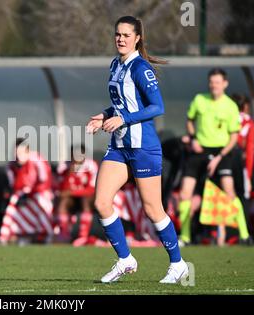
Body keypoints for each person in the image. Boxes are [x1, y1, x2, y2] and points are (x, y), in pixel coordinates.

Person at [86, 16, 188, 284]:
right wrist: (104, 115)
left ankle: (178, 264)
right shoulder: (114, 65)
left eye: (126, 35)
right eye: (117, 34)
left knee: (153, 209)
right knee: (101, 202)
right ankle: (125, 259)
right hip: (119, 146)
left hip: (144, 147)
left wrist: (124, 119)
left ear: (137, 38)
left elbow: (157, 107)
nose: (120, 39)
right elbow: (122, 105)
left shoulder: (141, 68)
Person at [179, 69, 251, 246]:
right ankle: (185, 237)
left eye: (217, 82)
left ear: (225, 84)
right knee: (184, 193)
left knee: (229, 190)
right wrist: (193, 138)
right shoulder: (199, 99)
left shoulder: (230, 106)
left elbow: (234, 137)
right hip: (199, 150)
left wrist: (218, 157)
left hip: (221, 152)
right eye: (211, 82)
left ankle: (244, 235)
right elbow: (189, 120)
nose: (214, 85)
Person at [0, 138, 54, 245]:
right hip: (23, 195)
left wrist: (29, 194)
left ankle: (46, 235)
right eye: (16, 152)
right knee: (13, 203)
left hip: (40, 193)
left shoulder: (37, 160)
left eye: (21, 152)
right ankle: (16, 235)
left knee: (42, 202)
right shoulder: (12, 165)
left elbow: (44, 180)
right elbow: (13, 185)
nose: (18, 155)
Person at [56, 144, 98, 243]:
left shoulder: (91, 165)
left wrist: (71, 192)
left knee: (86, 200)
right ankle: (64, 235)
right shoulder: (64, 166)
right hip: (73, 199)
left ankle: (82, 236)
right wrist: (70, 172)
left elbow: (91, 190)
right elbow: (63, 191)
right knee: (63, 203)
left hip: (87, 199)